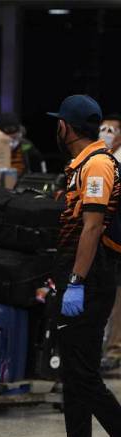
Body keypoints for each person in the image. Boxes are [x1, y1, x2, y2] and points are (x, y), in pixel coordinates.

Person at [48, 94, 121, 437]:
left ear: (65, 126)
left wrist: (76, 281)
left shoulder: (97, 165)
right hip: (79, 273)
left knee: (83, 375)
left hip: (90, 277)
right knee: (73, 377)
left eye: (57, 123)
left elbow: (92, 226)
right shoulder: (82, 163)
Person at [100, 113, 121, 372]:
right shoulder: (98, 156)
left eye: (112, 130)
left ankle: (115, 349)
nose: (106, 133)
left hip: (117, 234)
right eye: (103, 128)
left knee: (118, 293)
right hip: (104, 232)